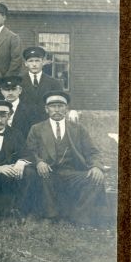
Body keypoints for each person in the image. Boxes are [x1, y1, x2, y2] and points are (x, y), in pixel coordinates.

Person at [25, 91, 107, 224]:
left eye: (60, 106)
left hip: (72, 172)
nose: (57, 110)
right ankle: (50, 216)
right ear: (46, 109)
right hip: (49, 171)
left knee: (96, 178)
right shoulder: (37, 129)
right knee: (43, 177)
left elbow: (92, 152)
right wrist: (39, 162)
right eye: (53, 106)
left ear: (66, 108)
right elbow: (29, 151)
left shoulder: (78, 129)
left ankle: (78, 217)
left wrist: (96, 167)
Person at [0, 75, 43, 139]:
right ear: (1, 91)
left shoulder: (31, 110)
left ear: (20, 90)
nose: (10, 93)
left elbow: (34, 134)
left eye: (14, 89)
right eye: (7, 89)